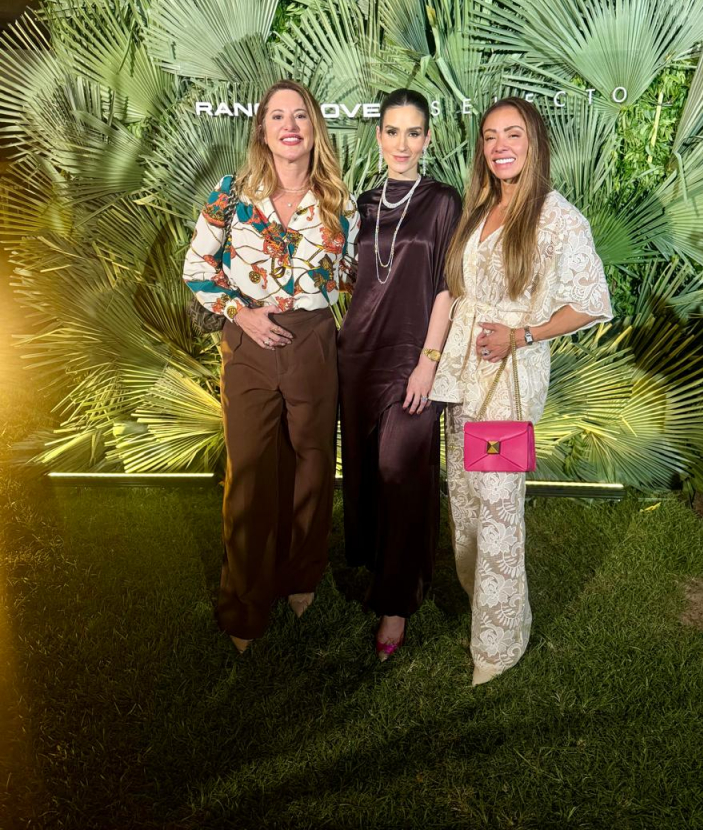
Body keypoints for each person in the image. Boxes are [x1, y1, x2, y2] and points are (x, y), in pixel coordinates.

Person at [431, 96, 613, 686]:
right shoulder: (481, 207)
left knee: (499, 509)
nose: (499, 145)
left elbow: (591, 302)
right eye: (489, 136)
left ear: (534, 142)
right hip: (462, 375)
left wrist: (522, 334)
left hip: (508, 384)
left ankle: (499, 640)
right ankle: (479, 599)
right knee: (465, 500)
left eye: (512, 134)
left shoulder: (558, 217)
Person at [183, 79, 359, 653]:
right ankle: (244, 600)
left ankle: (301, 574)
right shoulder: (232, 192)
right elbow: (197, 265)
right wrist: (242, 313)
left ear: (314, 128)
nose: (289, 125)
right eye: (278, 116)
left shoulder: (338, 201)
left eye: (300, 115)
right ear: (262, 128)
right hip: (248, 341)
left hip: (313, 341)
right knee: (250, 471)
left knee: (312, 465)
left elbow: (354, 276)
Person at [338, 89, 462, 660]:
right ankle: (376, 564)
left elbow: (447, 287)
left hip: (414, 358)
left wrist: (429, 362)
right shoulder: (360, 205)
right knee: (368, 471)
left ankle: (397, 601)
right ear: (379, 135)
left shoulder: (443, 202)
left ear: (428, 138)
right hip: (358, 354)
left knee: (400, 469)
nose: (402, 144)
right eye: (392, 131)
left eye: (414, 133)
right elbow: (346, 276)